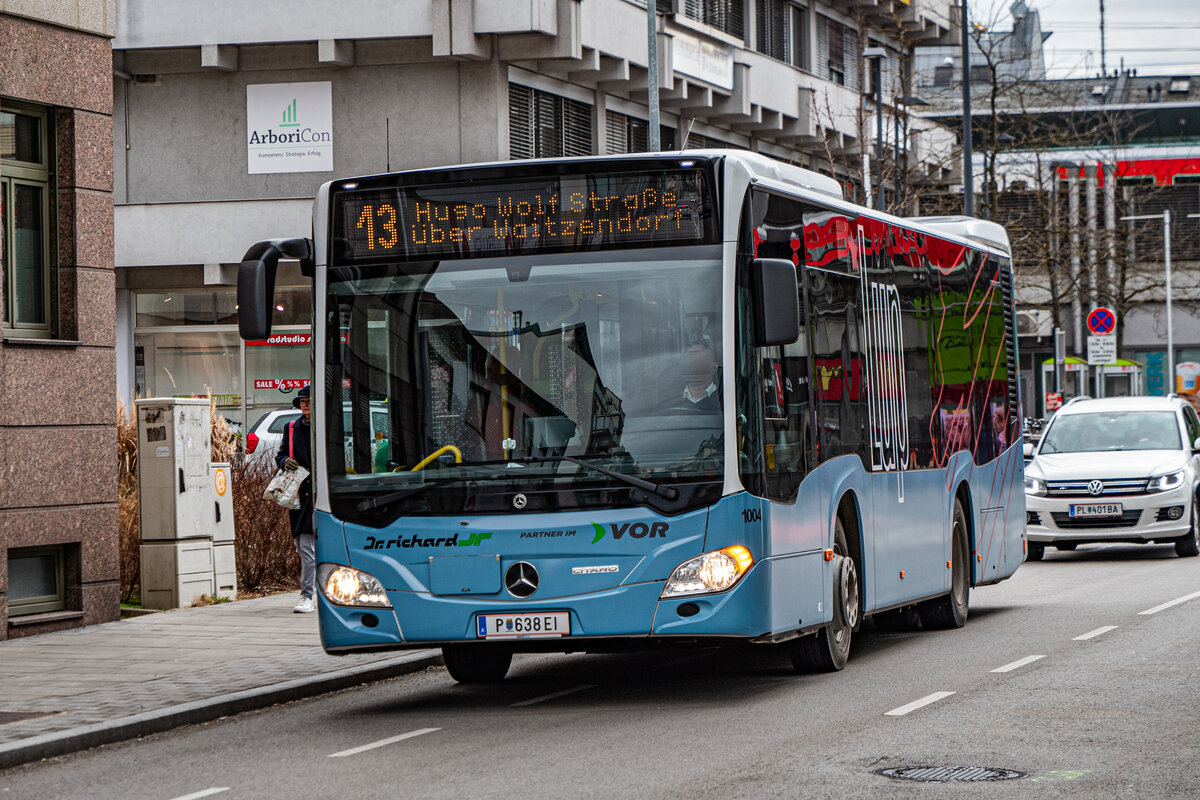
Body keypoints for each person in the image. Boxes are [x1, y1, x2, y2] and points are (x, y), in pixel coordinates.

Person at [276, 385, 315, 613]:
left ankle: (307, 595)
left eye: (308, 401)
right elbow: (281, 454)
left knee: (307, 548)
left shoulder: (323, 427)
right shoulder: (291, 428)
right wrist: (283, 462)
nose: (305, 405)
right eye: (302, 402)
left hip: (317, 494)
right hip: (298, 494)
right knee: (301, 546)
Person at [669, 341, 721, 413]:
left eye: (700, 359)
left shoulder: (724, 397)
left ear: (714, 367)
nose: (694, 364)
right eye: (690, 359)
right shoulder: (671, 399)